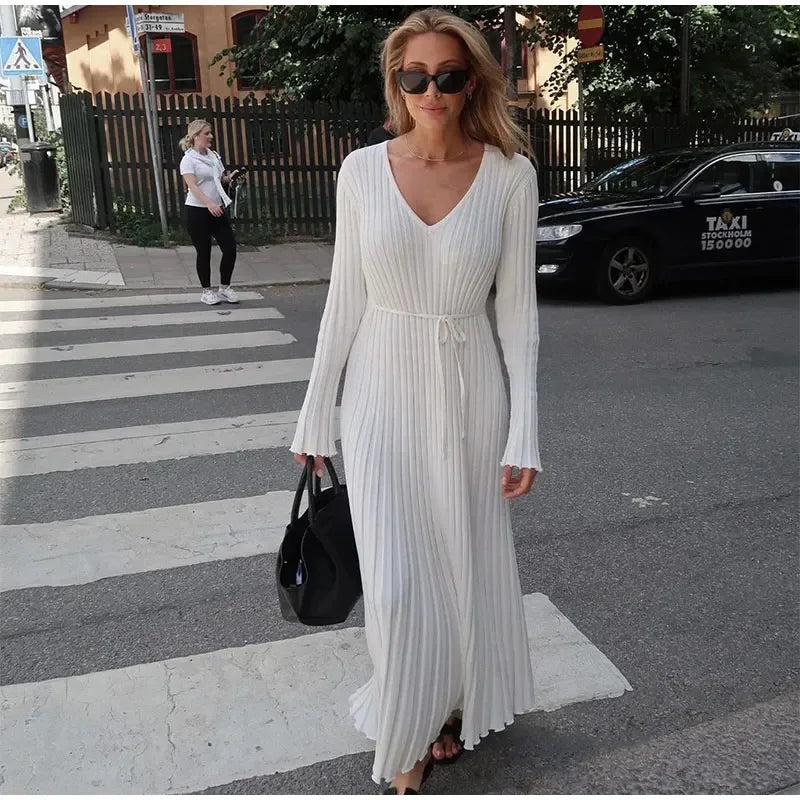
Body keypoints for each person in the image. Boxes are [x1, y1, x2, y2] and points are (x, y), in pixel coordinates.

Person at [291, 8, 542, 794]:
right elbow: (343, 301)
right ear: (396, 83)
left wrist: (525, 431)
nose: (431, 90)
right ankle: (406, 736)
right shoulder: (361, 171)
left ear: (473, 83)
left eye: (449, 75)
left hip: (471, 391)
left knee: (462, 562)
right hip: (378, 392)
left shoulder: (510, 175)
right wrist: (315, 412)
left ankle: (449, 701)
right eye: (415, 76)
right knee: (397, 580)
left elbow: (519, 316)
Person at [178, 120, 241, 305]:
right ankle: (206, 291)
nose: (210, 136)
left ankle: (224, 288)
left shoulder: (214, 156)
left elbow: (219, 180)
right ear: (196, 136)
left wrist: (230, 178)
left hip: (217, 209)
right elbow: (193, 186)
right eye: (207, 133)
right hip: (197, 211)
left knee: (230, 248)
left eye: (210, 132)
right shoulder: (188, 160)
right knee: (203, 252)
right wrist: (208, 203)